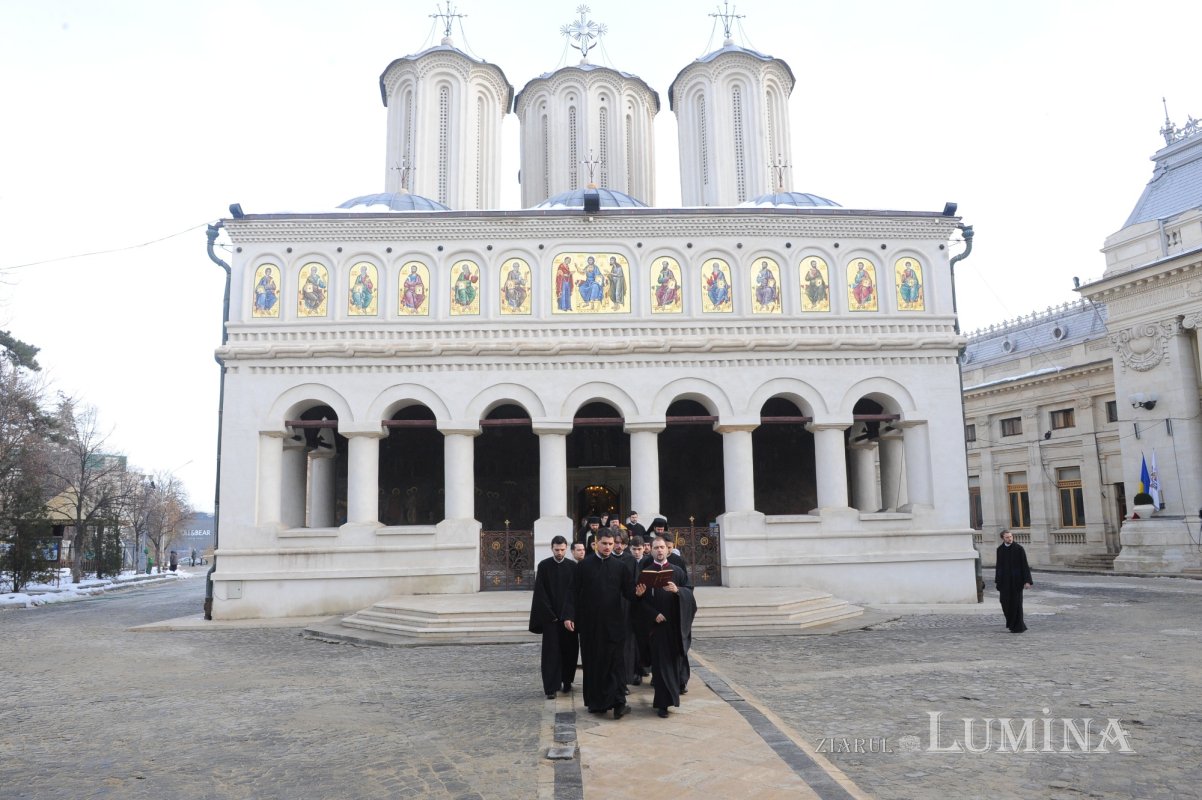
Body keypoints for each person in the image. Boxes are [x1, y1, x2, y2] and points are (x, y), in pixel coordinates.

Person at [563, 531, 636, 719]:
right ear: (596, 543)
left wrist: (640, 592)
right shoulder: (583, 566)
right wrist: (569, 615)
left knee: (615, 663)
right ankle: (596, 703)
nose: (608, 547)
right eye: (604, 543)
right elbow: (572, 591)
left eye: (611, 544)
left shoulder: (620, 567)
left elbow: (629, 592)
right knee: (593, 663)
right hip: (590, 625)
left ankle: (619, 703)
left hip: (613, 624)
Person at [634, 537, 697, 717]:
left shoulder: (677, 571)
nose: (660, 550)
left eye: (662, 547)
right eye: (656, 548)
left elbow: (689, 595)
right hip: (656, 627)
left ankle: (671, 698)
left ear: (668, 549)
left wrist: (678, 591)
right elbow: (639, 602)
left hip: (674, 626)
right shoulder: (645, 572)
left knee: (673, 664)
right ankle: (663, 704)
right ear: (651, 550)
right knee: (660, 667)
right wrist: (652, 613)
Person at [529, 536, 579, 698]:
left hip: (568, 618)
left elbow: (574, 593)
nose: (559, 553)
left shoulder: (572, 566)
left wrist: (569, 615)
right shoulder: (544, 566)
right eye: (557, 550)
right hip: (550, 618)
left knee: (570, 650)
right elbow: (540, 593)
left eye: (562, 550)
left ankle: (567, 680)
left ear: (567, 549)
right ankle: (551, 687)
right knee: (551, 653)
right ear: (551, 548)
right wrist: (550, 614)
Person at [995, 529, 1033, 633]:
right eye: (1007, 537)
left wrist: (1027, 581)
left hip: (1016, 582)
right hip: (1004, 582)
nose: (1010, 539)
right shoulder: (1000, 550)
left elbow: (1024, 565)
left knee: (1016, 604)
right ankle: (1011, 624)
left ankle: (1019, 626)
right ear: (1003, 538)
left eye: (1011, 536)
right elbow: (998, 567)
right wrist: (997, 581)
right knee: (1004, 602)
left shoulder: (1019, 549)